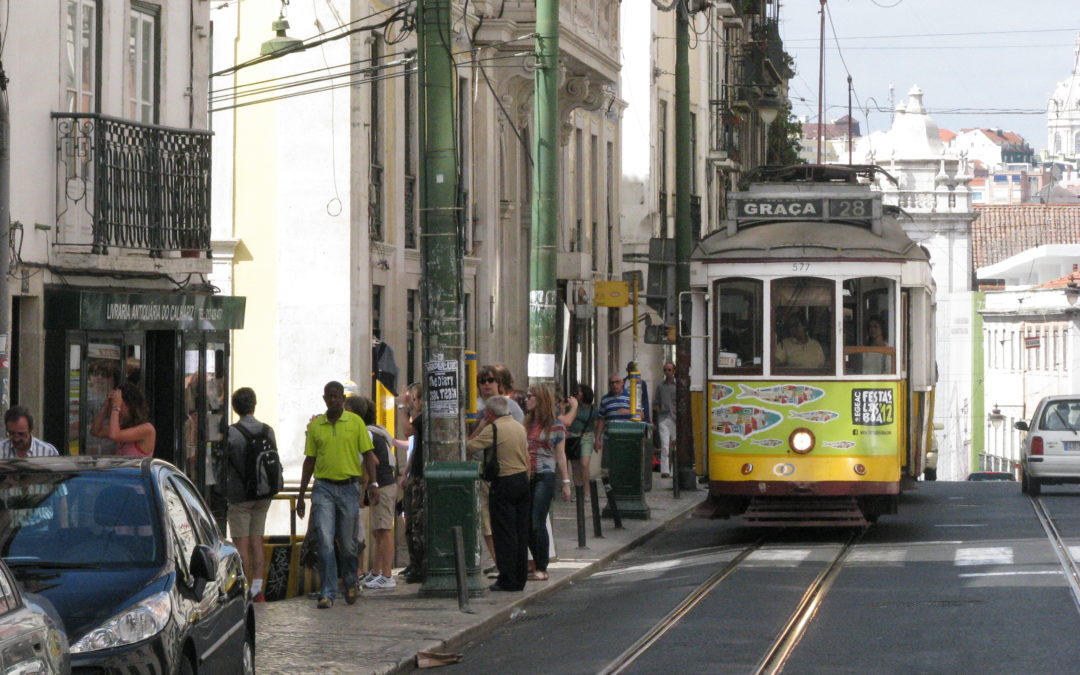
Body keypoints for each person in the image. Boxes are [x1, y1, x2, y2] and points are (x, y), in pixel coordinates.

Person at [295, 381, 377, 609]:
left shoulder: (355, 423)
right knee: (325, 541)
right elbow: (309, 461)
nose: (333, 400)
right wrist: (301, 495)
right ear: (324, 399)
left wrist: (374, 484)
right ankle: (327, 591)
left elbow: (369, 456)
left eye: (336, 396)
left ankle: (350, 580)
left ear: (342, 399)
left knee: (349, 544)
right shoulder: (316, 427)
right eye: (329, 396)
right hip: (323, 488)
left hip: (349, 488)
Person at [467, 396, 530, 592]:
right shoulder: (519, 427)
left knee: (504, 533)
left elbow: (468, 446)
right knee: (520, 532)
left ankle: (507, 578)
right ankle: (520, 577)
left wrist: (480, 426)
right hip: (522, 481)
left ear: (491, 413)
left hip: (504, 482)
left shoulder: (493, 429)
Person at [223, 387, 276, 603]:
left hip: (240, 495)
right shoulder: (268, 430)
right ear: (254, 404)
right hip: (264, 494)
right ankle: (258, 589)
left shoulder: (231, 433)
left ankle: (244, 590)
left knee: (241, 544)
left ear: (235, 407)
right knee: (257, 542)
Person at [472, 364, 524, 577]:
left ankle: (506, 565)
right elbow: (470, 442)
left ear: (498, 384)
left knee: (503, 521)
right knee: (486, 522)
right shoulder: (474, 407)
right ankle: (500, 562)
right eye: (482, 381)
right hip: (483, 471)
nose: (486, 385)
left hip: (505, 472)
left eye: (490, 380)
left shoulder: (511, 407)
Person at [523, 385, 572, 582]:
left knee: (537, 521)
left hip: (545, 475)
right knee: (526, 523)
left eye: (530, 396)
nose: (526, 399)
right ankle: (535, 562)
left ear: (540, 399)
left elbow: (561, 455)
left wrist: (566, 483)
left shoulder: (555, 425)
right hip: (527, 476)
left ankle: (542, 567)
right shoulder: (526, 423)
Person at [353, 396, 399, 590]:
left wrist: (365, 488)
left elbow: (371, 462)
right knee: (378, 530)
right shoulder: (377, 432)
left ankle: (387, 574)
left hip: (382, 486)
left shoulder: (366, 434)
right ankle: (376, 571)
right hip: (386, 484)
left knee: (384, 530)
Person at [398, 383, 426, 584]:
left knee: (417, 522)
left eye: (414, 399)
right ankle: (414, 563)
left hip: (422, 477)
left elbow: (407, 431)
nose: (413, 403)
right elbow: (414, 449)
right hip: (414, 473)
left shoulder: (424, 419)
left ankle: (420, 565)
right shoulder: (420, 421)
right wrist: (406, 472)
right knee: (410, 521)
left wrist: (402, 408)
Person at [90, 382, 155, 457]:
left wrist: (116, 407)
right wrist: (105, 408)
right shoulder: (121, 427)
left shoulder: (147, 429)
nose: (118, 409)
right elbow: (96, 431)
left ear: (130, 405)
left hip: (135, 469)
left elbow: (114, 435)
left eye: (121, 404)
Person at [557, 384, 598, 489]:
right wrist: (563, 408)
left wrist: (597, 439)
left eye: (578, 392)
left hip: (586, 436)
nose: (576, 393)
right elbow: (564, 420)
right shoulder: (573, 407)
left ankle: (587, 491)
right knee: (575, 466)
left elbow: (596, 425)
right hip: (572, 437)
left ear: (584, 394)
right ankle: (579, 490)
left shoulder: (592, 409)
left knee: (584, 464)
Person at [594, 373, 631, 461]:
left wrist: (628, 411)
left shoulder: (630, 397)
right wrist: (597, 438)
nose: (614, 385)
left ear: (622, 383)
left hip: (627, 437)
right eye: (612, 383)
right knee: (611, 465)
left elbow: (641, 414)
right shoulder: (605, 399)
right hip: (610, 438)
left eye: (617, 382)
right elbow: (601, 419)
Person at [654, 362, 677, 478]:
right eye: (665, 370)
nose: (667, 372)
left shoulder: (677, 386)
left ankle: (674, 470)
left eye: (669, 370)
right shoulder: (660, 386)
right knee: (664, 445)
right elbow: (656, 401)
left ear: (673, 371)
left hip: (675, 418)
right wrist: (659, 410)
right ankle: (665, 470)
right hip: (663, 418)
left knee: (674, 445)